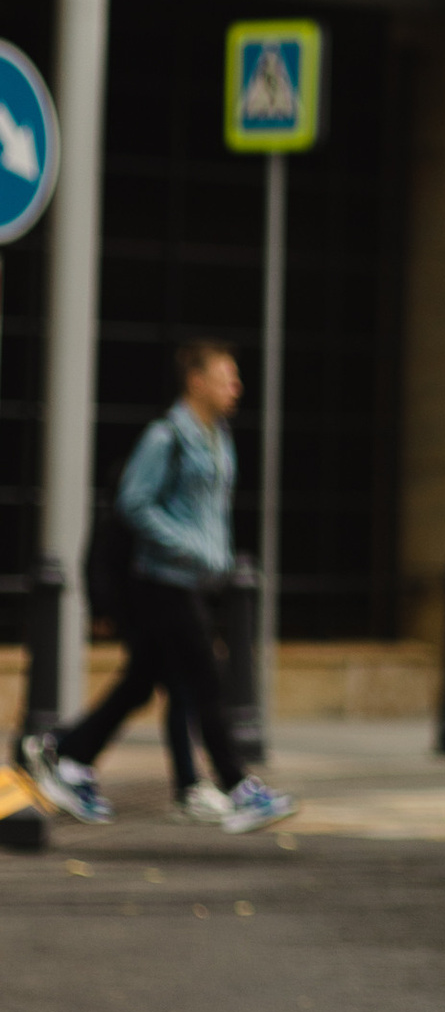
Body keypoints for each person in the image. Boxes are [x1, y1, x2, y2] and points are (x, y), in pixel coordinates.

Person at [18, 339, 297, 835]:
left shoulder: (218, 436)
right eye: (225, 376)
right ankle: (236, 786)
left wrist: (216, 558)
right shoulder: (166, 437)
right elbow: (133, 503)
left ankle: (67, 757)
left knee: (140, 684)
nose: (236, 386)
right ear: (196, 380)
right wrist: (192, 548)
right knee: (207, 680)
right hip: (161, 580)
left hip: (188, 581)